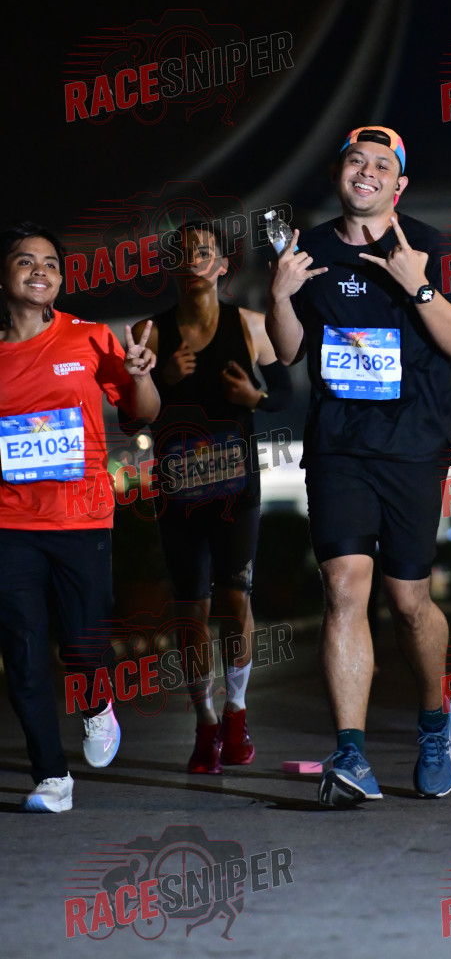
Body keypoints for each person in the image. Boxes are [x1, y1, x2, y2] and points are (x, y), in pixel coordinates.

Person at [266, 125, 451, 807]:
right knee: (344, 587)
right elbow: (288, 352)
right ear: (339, 173)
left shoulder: (429, 249)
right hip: (339, 447)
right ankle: (351, 753)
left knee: (409, 601)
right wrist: (279, 295)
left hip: (414, 447)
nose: (366, 172)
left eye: (381, 165)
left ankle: (434, 721)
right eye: (355, 161)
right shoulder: (309, 250)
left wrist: (419, 288)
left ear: (399, 184)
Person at [0, 221, 159, 812]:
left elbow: (144, 413)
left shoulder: (89, 338)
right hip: (10, 523)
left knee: (83, 644)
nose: (39, 270)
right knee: (23, 652)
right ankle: (51, 777)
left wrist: (140, 375)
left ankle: (96, 705)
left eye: (50, 263)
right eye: (25, 261)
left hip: (81, 518)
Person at [130, 221, 291, 774]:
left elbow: (285, 392)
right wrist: (162, 379)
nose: (193, 260)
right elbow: (132, 415)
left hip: (235, 486)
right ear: (171, 267)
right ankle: (204, 722)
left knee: (235, 601)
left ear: (223, 265)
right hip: (178, 488)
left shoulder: (249, 325)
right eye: (183, 253)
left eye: (204, 252)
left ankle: (236, 713)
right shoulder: (149, 332)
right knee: (190, 610)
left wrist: (255, 396)